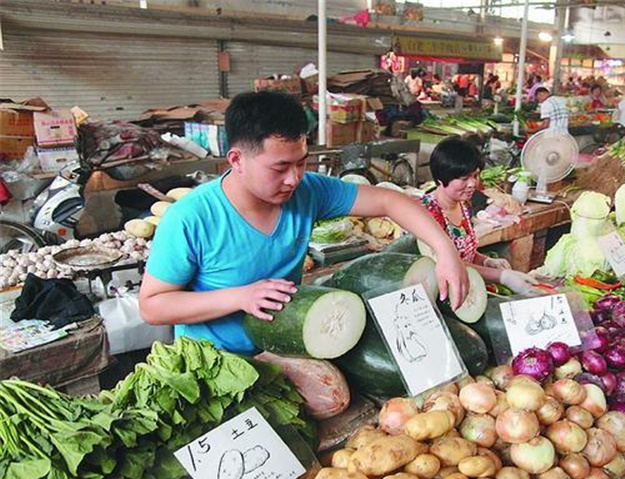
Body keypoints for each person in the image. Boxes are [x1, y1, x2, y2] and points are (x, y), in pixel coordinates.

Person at [139, 91, 469, 354]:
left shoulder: (309, 191)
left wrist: (445, 250)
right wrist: (239, 297)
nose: (294, 178)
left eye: (302, 162)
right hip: (212, 363)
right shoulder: (191, 219)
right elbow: (153, 307)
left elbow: (388, 200)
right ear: (237, 159)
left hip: (286, 349)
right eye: (280, 167)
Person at [421, 137, 539, 294]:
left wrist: (486, 261)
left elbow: (464, 251)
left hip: (468, 288)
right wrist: (501, 276)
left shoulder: (462, 204)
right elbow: (448, 263)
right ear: (441, 179)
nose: (472, 184)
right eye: (464, 179)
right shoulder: (427, 214)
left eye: (475, 176)